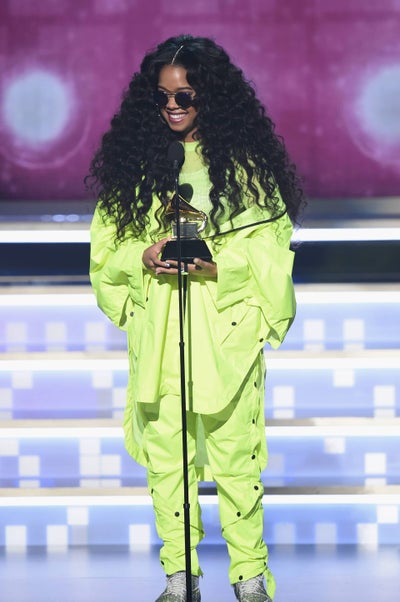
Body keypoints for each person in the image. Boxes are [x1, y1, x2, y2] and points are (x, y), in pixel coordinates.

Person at [87, 34, 304, 602]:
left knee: (237, 458)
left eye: (186, 95)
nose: (174, 107)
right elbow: (104, 256)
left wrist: (218, 265)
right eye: (162, 98)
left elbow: (273, 254)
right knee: (169, 462)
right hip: (161, 333)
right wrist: (142, 257)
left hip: (225, 330)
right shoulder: (135, 172)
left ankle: (250, 577)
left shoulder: (248, 171)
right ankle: (180, 580)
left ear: (213, 96)